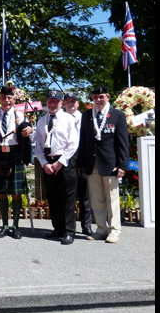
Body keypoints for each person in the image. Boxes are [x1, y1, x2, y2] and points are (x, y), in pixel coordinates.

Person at [0, 82, 34, 239]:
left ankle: (15, 227)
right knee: (1, 193)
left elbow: (31, 136)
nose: (6, 101)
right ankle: (4, 226)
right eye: (4, 97)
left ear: (14, 100)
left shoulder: (20, 116)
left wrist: (31, 130)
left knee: (16, 192)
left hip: (15, 155)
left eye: (9, 98)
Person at [77, 86, 129, 243]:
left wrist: (122, 165)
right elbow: (84, 141)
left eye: (101, 97)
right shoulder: (86, 115)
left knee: (111, 198)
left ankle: (114, 230)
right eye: (95, 97)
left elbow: (122, 142)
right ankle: (101, 228)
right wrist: (81, 163)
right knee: (96, 198)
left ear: (108, 97)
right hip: (91, 163)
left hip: (110, 163)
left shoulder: (118, 115)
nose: (98, 100)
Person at [35, 90, 78, 245]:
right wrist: (44, 163)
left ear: (61, 103)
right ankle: (58, 228)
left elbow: (73, 143)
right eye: (50, 101)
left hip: (64, 162)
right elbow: (38, 146)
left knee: (67, 198)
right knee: (53, 198)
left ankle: (69, 232)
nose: (52, 104)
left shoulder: (68, 119)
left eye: (56, 101)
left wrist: (60, 162)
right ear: (46, 103)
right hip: (48, 163)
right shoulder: (41, 121)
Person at [63, 92, 93, 236]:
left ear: (78, 104)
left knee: (85, 193)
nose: (71, 103)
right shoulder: (60, 119)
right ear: (63, 104)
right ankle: (67, 227)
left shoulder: (85, 118)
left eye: (73, 101)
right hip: (67, 158)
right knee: (69, 193)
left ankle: (86, 225)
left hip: (83, 157)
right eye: (68, 101)